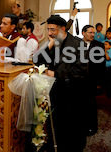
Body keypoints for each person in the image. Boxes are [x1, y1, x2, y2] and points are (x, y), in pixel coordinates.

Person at [33, 14, 88, 152]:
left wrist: (56, 74)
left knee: (72, 130)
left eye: (53, 30)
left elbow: (81, 71)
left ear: (63, 28)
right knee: (56, 126)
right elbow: (37, 61)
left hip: (72, 94)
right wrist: (49, 44)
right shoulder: (53, 43)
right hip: (55, 92)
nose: (50, 33)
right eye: (48, 29)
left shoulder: (78, 44)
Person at [81, 25, 105, 135]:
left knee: (91, 104)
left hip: (92, 80)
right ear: (83, 33)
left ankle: (91, 127)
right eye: (90, 32)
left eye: (93, 33)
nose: (92, 35)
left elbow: (101, 65)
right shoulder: (77, 44)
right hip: (79, 80)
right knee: (80, 104)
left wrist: (100, 82)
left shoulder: (99, 45)